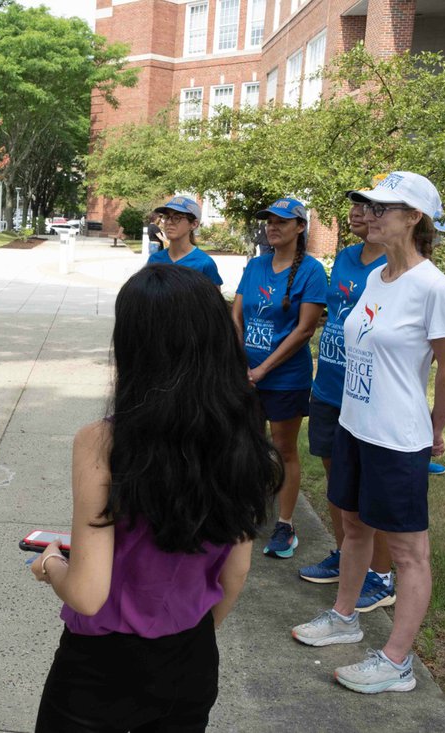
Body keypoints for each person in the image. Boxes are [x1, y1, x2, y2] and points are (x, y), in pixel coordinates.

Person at [30, 265, 283, 731]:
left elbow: (87, 594)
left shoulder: (102, 443)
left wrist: (49, 563)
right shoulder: (242, 438)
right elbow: (237, 571)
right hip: (191, 659)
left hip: (99, 671)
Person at [291, 172, 445, 695]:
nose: (370, 214)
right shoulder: (375, 277)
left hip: (397, 438)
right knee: (354, 526)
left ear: (413, 218)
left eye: (383, 207)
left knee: (408, 552)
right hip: (354, 424)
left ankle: (397, 662)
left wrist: (434, 430)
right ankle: (345, 617)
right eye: (369, 205)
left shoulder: (432, 286)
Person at [300, 199, 396, 613]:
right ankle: (347, 559)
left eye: (369, 207)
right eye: (355, 206)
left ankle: (381, 576)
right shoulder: (343, 257)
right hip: (328, 388)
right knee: (336, 483)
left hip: (367, 394)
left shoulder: (397, 266)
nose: (358, 213)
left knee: (370, 491)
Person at [232, 198, 327, 559]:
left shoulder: (311, 271)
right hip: (247, 376)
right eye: (269, 221)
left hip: (285, 379)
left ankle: (285, 525)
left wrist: (263, 369)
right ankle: (248, 510)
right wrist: (241, 362)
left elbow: (305, 330)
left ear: (300, 227)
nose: (272, 227)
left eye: (282, 222)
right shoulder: (256, 265)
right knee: (249, 447)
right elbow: (236, 315)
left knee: (284, 450)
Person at [145, 196, 223, 286]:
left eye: (176, 217)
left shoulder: (204, 264)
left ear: (194, 224)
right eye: (167, 217)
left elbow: (213, 295)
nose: (169, 222)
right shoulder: (155, 260)